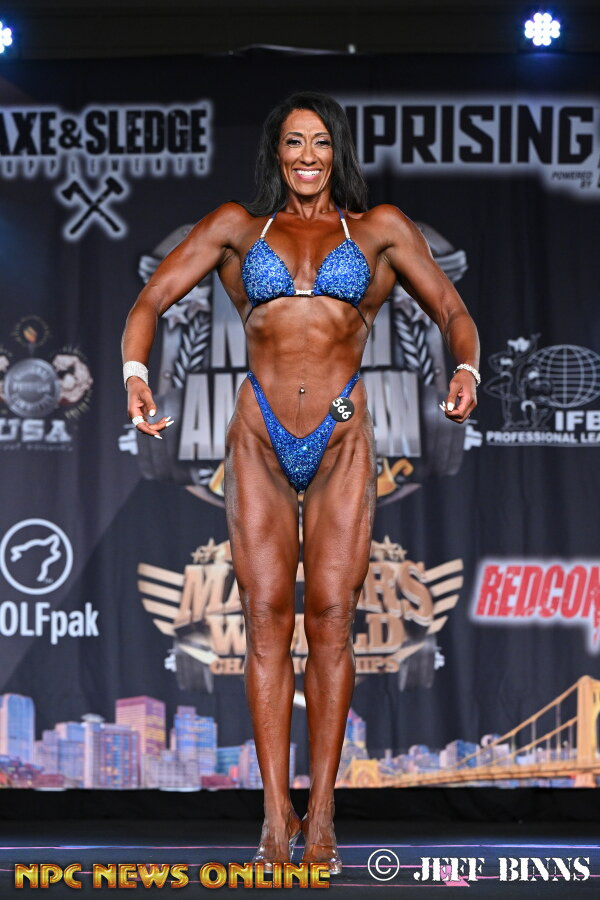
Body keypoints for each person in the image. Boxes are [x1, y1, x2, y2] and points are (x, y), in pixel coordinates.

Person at [121, 91, 480, 875]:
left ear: (336, 150)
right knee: (264, 619)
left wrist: (466, 370)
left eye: (320, 142)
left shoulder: (379, 230)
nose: (307, 156)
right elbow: (152, 299)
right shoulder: (237, 228)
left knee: (332, 619)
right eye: (293, 143)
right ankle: (272, 814)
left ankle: (321, 815)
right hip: (259, 434)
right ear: (276, 154)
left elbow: (453, 310)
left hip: (341, 435)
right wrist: (136, 376)